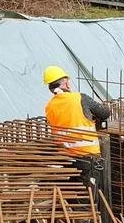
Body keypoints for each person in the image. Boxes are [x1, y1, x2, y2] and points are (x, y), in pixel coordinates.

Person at [42, 65, 111, 197]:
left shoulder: (49, 106)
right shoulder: (80, 98)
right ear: (66, 83)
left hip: (67, 159)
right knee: (88, 200)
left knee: (75, 197)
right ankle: (86, 218)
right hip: (87, 158)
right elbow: (105, 113)